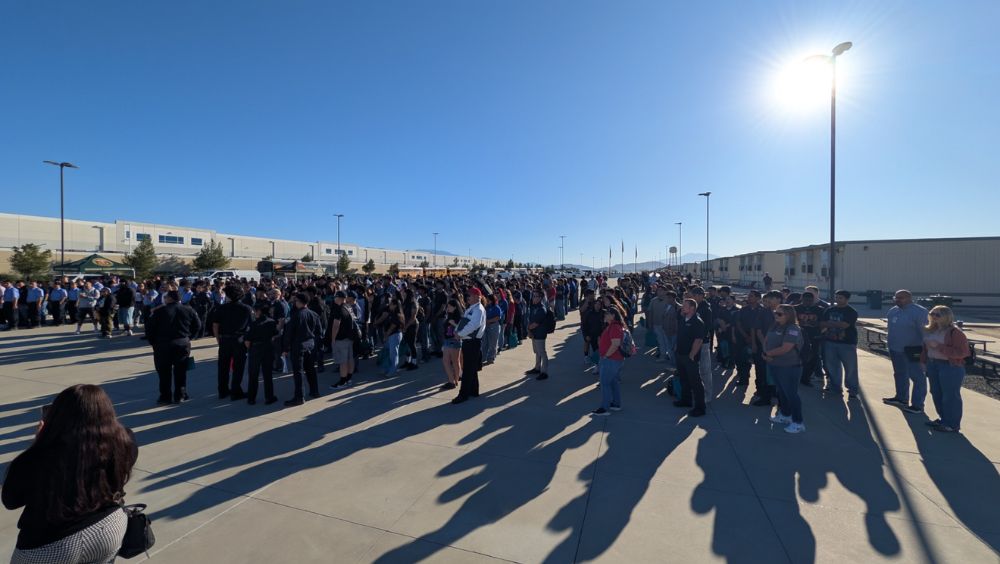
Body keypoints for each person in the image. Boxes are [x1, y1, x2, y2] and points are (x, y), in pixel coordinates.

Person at [3, 384, 138, 563]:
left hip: (51, 546)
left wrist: (39, 443)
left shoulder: (41, 455)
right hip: (109, 528)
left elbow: (11, 499)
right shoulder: (125, 441)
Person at [145, 290, 201, 404]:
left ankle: (165, 396)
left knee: (164, 372)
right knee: (180, 371)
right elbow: (198, 325)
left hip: (163, 345)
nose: (164, 299)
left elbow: (149, 329)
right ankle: (180, 395)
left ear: (170, 298)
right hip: (182, 343)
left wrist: (153, 343)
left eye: (166, 297)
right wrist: (189, 337)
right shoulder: (189, 309)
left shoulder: (160, 311)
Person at [921, 305, 970, 432]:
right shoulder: (932, 330)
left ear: (946, 316)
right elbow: (925, 349)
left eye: (938, 315)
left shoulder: (955, 332)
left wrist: (939, 347)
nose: (934, 317)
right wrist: (923, 362)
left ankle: (952, 424)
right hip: (933, 364)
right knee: (936, 393)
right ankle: (944, 419)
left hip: (950, 366)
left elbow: (963, 352)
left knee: (950, 396)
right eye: (932, 314)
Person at [884, 290, 929, 414]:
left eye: (901, 298)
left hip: (913, 350)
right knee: (899, 374)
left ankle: (917, 405)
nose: (898, 300)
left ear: (909, 298)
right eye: (896, 297)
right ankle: (901, 398)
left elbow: (925, 333)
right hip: (895, 349)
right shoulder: (893, 311)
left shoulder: (920, 312)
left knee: (918, 378)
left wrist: (925, 351)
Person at [765, 304, 806, 433]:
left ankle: (798, 422)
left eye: (780, 314)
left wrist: (768, 354)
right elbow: (766, 341)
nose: (776, 315)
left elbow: (786, 347)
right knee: (781, 393)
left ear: (788, 315)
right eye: (775, 312)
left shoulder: (792, 328)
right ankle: (785, 415)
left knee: (791, 394)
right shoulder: (775, 325)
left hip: (790, 366)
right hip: (775, 365)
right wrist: (765, 353)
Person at [212, 285, 253, 400]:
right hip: (239, 340)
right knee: (238, 367)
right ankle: (236, 391)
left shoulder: (221, 308)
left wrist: (218, 340)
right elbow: (252, 326)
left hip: (225, 339)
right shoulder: (246, 308)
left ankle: (222, 391)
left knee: (223, 367)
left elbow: (215, 325)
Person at [283, 292, 323, 406]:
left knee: (298, 372)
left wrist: (285, 348)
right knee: (311, 369)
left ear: (299, 302)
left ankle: (299, 396)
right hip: (310, 344)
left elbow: (288, 334)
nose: (294, 303)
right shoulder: (314, 314)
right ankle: (315, 391)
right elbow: (319, 332)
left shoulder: (296, 316)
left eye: (296, 301)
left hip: (298, 346)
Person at [820, 290, 860, 399]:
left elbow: (844, 325)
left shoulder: (851, 311)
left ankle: (852, 390)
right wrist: (835, 324)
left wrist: (830, 323)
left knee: (850, 368)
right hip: (830, 342)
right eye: (837, 297)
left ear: (847, 299)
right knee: (832, 366)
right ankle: (835, 387)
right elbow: (822, 323)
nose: (838, 299)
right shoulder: (830, 310)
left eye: (840, 298)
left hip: (847, 343)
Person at [452, 287, 486, 404]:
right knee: (471, 368)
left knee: (467, 369)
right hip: (468, 342)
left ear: (477, 297)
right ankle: (473, 390)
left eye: (470, 295)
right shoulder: (472, 308)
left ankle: (463, 394)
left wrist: (459, 334)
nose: (468, 297)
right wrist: (457, 331)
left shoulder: (479, 310)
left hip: (473, 342)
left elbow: (473, 325)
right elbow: (463, 321)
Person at [674, 299, 706, 417]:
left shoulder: (697, 322)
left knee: (695, 382)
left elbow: (698, 340)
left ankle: (700, 407)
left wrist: (692, 354)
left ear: (692, 308)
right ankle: (686, 400)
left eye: (685, 305)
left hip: (690, 357)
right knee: (684, 379)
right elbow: (680, 335)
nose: (682, 307)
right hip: (680, 354)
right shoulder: (683, 319)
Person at [592, 308, 626, 416]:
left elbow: (615, 344)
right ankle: (616, 404)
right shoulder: (613, 326)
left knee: (605, 383)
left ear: (613, 315)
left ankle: (604, 408)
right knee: (613, 382)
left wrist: (606, 356)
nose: (605, 315)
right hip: (614, 360)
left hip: (611, 360)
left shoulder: (615, 327)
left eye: (607, 314)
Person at [245, 302, 279, 405]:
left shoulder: (253, 324)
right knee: (267, 374)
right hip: (268, 348)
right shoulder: (272, 322)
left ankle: (251, 398)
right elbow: (275, 334)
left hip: (255, 349)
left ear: (259, 311)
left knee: (253, 375)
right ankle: (269, 397)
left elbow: (247, 342)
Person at [328, 291, 356, 388]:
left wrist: (333, 339)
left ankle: (342, 381)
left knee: (342, 361)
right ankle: (349, 378)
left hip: (341, 339)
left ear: (338, 298)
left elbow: (336, 325)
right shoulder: (348, 307)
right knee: (350, 359)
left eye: (335, 297)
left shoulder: (338, 309)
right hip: (350, 337)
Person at [525, 290, 550, 380]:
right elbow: (531, 320)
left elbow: (536, 323)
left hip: (540, 333)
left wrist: (528, 330)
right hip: (534, 333)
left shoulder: (541, 309)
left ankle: (544, 372)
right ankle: (537, 368)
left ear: (540, 298)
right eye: (533, 296)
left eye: (535, 296)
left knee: (542, 352)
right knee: (537, 352)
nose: (533, 298)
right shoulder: (534, 307)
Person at [440, 299, 463, 391]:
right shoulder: (450, 315)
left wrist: (453, 323)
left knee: (452, 361)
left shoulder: (458, 317)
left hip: (453, 340)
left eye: (449, 306)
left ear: (454, 307)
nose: (447, 308)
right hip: (449, 340)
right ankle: (454, 380)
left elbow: (461, 329)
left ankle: (452, 381)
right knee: (451, 361)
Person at [482, 294, 502, 365]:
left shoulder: (496, 307)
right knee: (485, 343)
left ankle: (491, 358)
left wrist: (489, 320)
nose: (487, 301)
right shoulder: (486, 307)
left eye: (489, 300)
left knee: (493, 343)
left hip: (494, 326)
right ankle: (483, 358)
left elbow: (498, 317)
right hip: (486, 326)